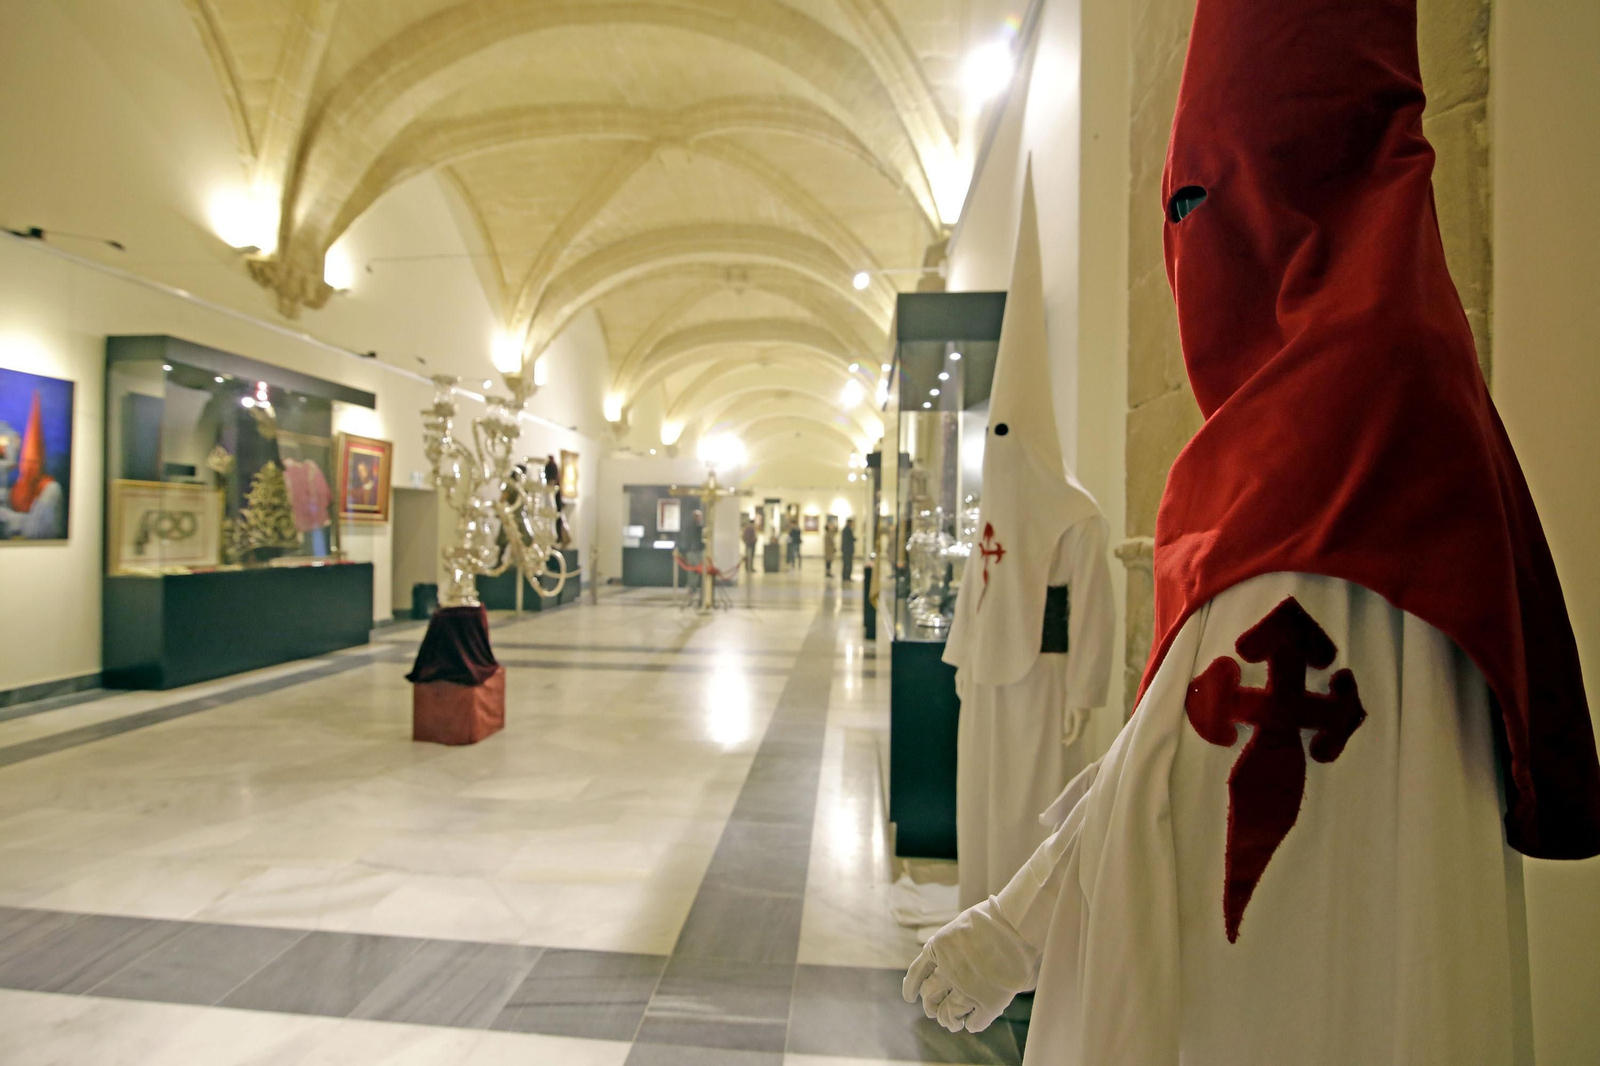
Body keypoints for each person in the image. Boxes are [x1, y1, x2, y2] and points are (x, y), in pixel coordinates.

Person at [902, 1, 1600, 1062]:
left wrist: (1016, 925)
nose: (1189, 254)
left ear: (1292, 180)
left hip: (1274, 957)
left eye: (1196, 201)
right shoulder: (1416, 392)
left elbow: (1184, 777)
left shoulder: (1334, 412)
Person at [943, 168, 1115, 915]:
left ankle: (1029, 930)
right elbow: (974, 585)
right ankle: (977, 903)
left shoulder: (1075, 515)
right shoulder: (995, 504)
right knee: (983, 802)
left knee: (1032, 808)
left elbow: (1093, 617)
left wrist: (1084, 692)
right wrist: (960, 653)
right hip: (986, 683)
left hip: (1044, 691)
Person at [840, 517, 856, 582]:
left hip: (846, 550)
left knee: (846, 564)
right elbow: (850, 539)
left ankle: (845, 576)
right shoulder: (847, 530)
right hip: (848, 550)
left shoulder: (845, 530)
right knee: (848, 564)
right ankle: (847, 577)